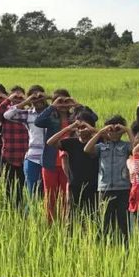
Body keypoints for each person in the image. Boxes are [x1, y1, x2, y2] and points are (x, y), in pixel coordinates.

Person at [34, 89, 83, 224]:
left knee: (65, 196)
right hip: (50, 162)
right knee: (50, 197)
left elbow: (93, 118)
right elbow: (38, 121)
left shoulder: (75, 118)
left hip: (68, 163)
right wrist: (52, 106)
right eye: (60, 101)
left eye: (65, 101)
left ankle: (64, 223)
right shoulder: (51, 118)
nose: (63, 104)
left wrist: (76, 104)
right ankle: (50, 224)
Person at [84, 115, 134, 244]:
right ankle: (104, 245)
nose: (113, 133)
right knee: (104, 219)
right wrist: (100, 132)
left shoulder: (125, 146)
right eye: (110, 130)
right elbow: (87, 149)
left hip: (123, 188)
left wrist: (127, 130)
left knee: (123, 220)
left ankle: (126, 245)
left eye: (117, 130)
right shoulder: (101, 146)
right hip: (105, 188)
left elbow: (136, 149)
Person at [47, 111, 100, 225]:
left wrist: (91, 129)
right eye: (79, 127)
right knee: (72, 219)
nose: (81, 130)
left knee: (93, 217)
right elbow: (50, 142)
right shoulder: (71, 142)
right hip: (74, 186)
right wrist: (69, 128)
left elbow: (106, 136)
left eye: (84, 127)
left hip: (94, 186)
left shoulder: (98, 142)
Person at [3, 85, 48, 208]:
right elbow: (8, 114)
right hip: (33, 157)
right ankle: (30, 218)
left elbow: (75, 112)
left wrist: (48, 97)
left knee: (48, 191)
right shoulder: (28, 114)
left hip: (51, 156)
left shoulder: (53, 112)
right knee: (31, 191)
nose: (37, 100)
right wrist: (27, 101)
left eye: (40, 97)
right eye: (34, 97)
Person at [0, 86, 29, 209]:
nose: (17, 99)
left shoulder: (29, 112)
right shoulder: (6, 113)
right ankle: (11, 211)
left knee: (25, 187)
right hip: (9, 156)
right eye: (15, 97)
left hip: (26, 157)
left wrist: (27, 100)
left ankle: (23, 210)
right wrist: (8, 100)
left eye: (20, 97)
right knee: (9, 187)